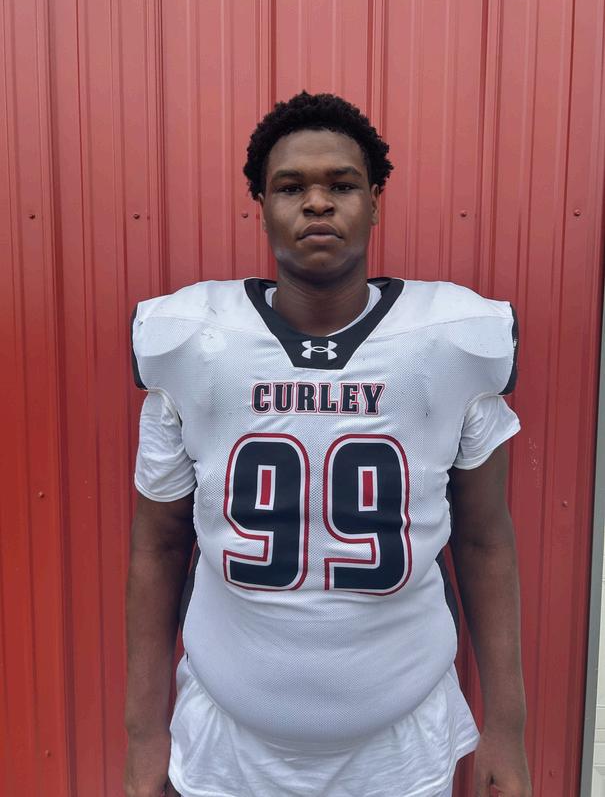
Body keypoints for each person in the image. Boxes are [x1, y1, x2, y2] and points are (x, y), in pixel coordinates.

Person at [123, 90, 532, 797]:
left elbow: (484, 540)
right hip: (228, 739)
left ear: (374, 202)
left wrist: (508, 725)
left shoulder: (450, 339)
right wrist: (142, 731)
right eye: (291, 187)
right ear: (261, 205)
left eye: (341, 185)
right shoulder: (192, 341)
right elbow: (158, 546)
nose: (317, 202)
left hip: (400, 743)